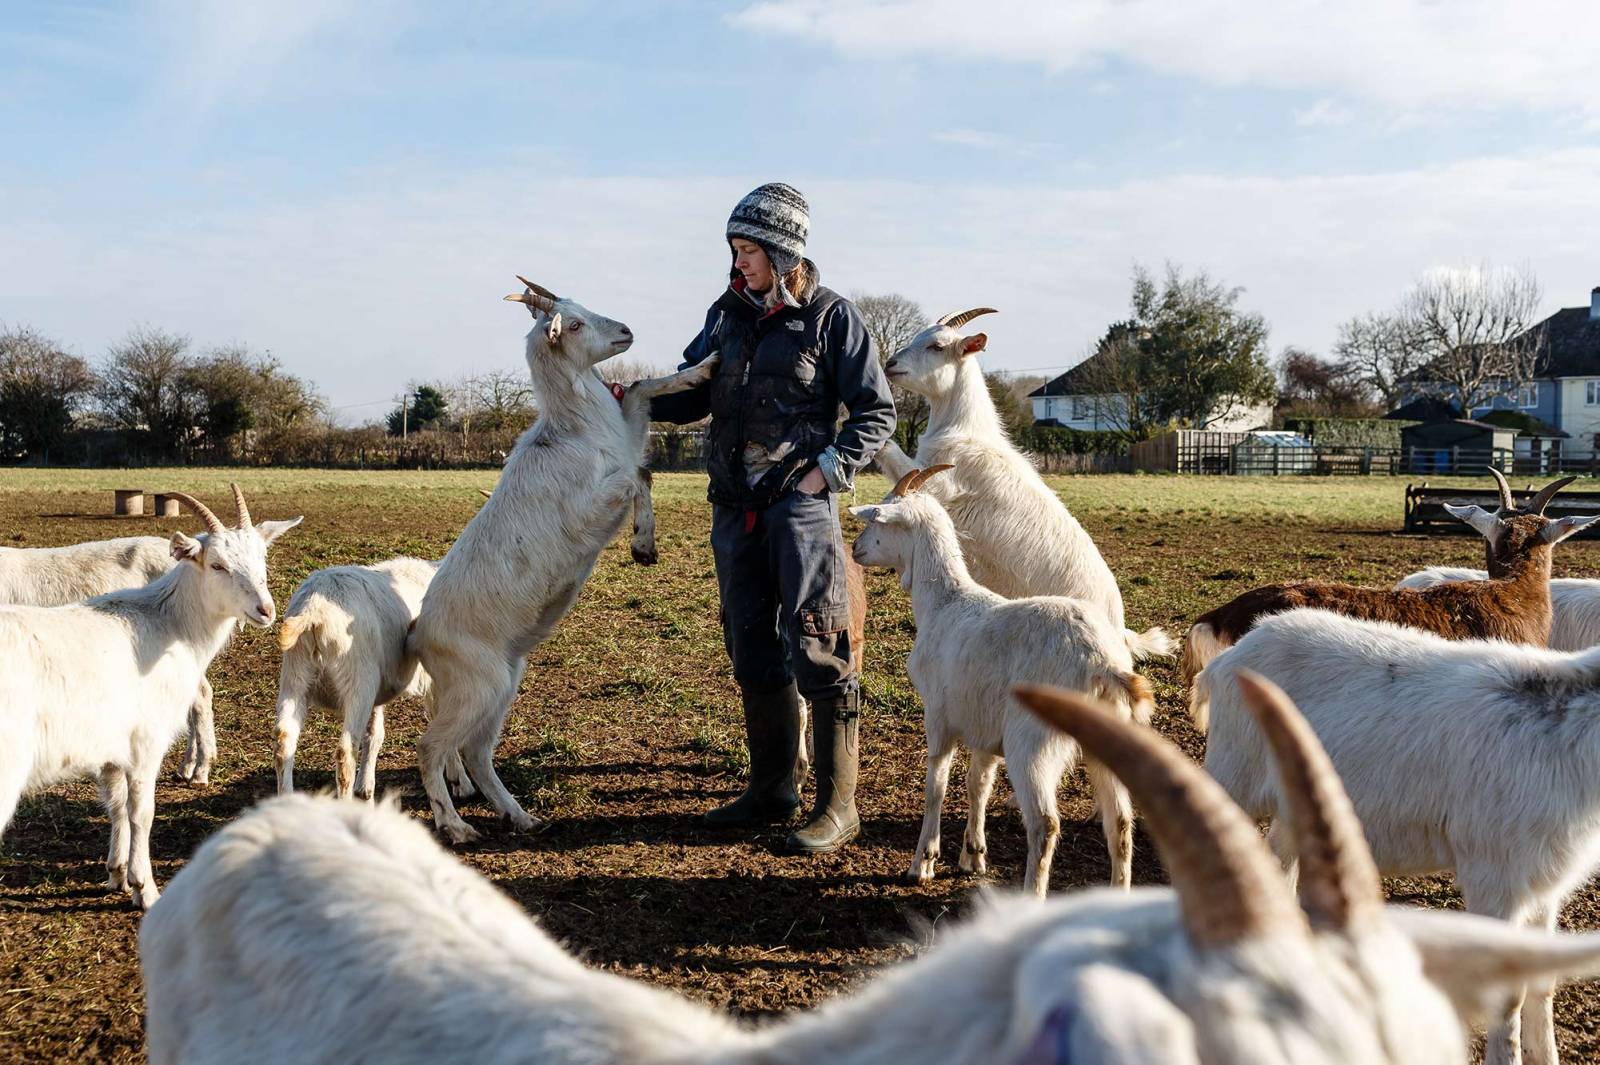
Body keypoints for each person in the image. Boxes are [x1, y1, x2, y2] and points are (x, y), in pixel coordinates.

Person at [651, 183, 896, 853]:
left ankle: (838, 805)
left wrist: (827, 471)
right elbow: (693, 389)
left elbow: (876, 412)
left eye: (750, 250)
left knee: (820, 641)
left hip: (800, 509)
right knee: (751, 642)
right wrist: (631, 397)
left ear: (785, 252)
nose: (739, 263)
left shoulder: (830, 319)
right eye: (733, 249)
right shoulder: (725, 316)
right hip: (734, 509)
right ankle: (770, 789)